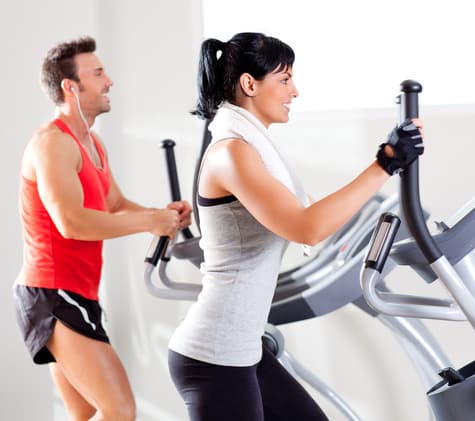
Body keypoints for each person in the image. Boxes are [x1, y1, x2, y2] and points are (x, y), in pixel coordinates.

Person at [167, 32, 424, 421]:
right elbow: (306, 227)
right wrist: (385, 164)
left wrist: (387, 163)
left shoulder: (247, 148)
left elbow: (311, 217)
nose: (295, 91)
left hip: (243, 349)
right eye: (285, 80)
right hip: (214, 358)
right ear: (249, 84)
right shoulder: (232, 153)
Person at [13, 36, 192, 421]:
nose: (109, 81)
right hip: (53, 292)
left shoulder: (91, 143)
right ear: (70, 87)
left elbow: (112, 205)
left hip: (77, 291)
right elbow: (72, 222)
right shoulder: (52, 144)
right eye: (97, 73)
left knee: (85, 413)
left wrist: (163, 216)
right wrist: (149, 222)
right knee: (120, 410)